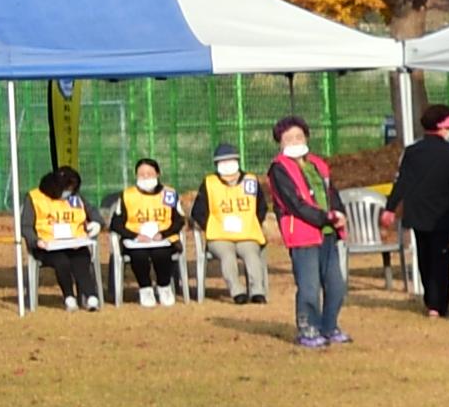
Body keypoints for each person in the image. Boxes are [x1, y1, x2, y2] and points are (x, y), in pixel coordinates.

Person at [266, 116, 351, 349]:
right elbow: (294, 203)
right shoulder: (278, 169)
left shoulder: (317, 164)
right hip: (302, 235)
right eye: (288, 138)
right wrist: (325, 217)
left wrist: (339, 213)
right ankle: (308, 328)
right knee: (309, 287)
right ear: (280, 142)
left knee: (336, 285)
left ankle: (330, 326)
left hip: (328, 234)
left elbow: (331, 192)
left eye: (299, 136)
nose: (295, 141)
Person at [393, 104, 449, 317]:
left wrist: (390, 207)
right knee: (441, 258)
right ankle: (439, 303)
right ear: (441, 127)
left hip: (418, 212)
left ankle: (431, 300)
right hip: (444, 214)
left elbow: (402, 181)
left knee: (424, 255)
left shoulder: (411, 151)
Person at [195, 144, 269, 304]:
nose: (227, 165)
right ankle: (237, 292)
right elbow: (198, 212)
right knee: (227, 256)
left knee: (251, 254)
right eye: (222, 162)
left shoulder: (250, 181)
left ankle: (258, 292)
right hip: (219, 236)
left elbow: (261, 207)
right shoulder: (209, 183)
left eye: (231, 160)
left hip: (247, 233)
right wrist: (212, 226)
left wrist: (250, 223)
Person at [112, 157, 185, 305]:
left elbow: (179, 220)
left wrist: (163, 234)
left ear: (158, 174)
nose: (145, 177)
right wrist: (135, 236)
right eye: (141, 174)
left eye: (149, 173)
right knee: (139, 256)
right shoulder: (127, 195)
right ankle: (145, 288)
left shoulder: (169, 193)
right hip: (137, 240)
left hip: (163, 238)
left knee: (162, 254)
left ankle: (164, 286)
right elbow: (116, 223)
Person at [26, 164, 97, 310]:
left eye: (72, 189)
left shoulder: (75, 198)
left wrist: (95, 224)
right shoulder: (35, 198)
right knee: (62, 261)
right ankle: (69, 296)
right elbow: (25, 226)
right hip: (47, 246)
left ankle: (90, 296)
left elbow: (93, 213)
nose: (68, 192)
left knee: (82, 259)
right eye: (67, 189)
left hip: (74, 243)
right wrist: (36, 241)